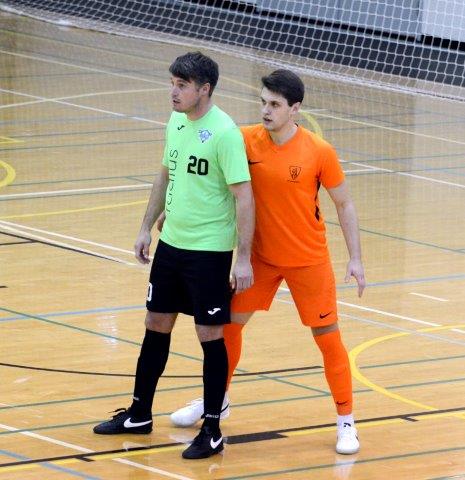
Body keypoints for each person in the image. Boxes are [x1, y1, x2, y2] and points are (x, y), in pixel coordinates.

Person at [170, 69, 366, 455]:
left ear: (295, 109)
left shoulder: (319, 151)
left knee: (328, 339)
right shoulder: (244, 140)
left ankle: (346, 421)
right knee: (227, 328)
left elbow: (344, 203)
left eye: (275, 104)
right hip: (259, 259)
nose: (266, 111)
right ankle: (217, 402)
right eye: (263, 102)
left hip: (308, 260)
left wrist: (356, 258)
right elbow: (209, 177)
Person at [93, 51, 255, 460]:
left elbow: (244, 198)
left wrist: (243, 258)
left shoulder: (225, 133)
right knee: (155, 323)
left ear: (205, 89)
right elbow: (166, 174)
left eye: (182, 85)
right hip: (172, 246)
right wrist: (145, 226)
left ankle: (212, 430)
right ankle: (139, 414)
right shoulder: (176, 121)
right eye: (173, 84)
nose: (174, 92)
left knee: (209, 335)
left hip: (209, 252)